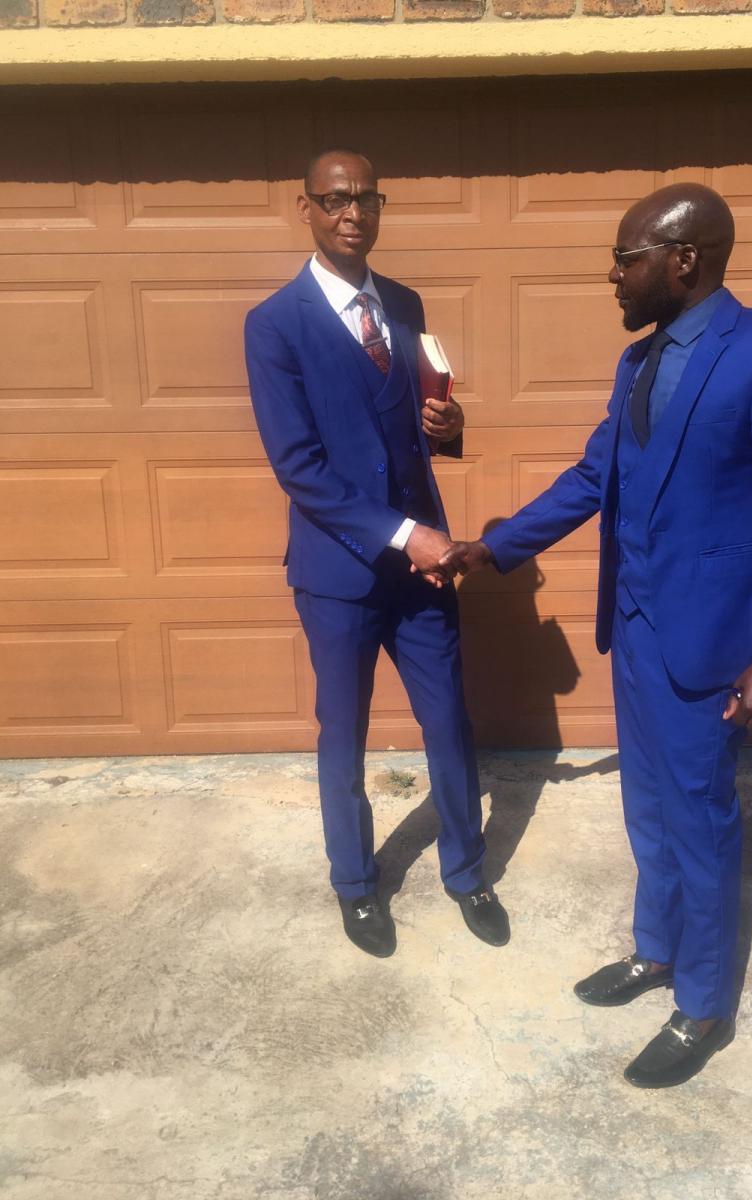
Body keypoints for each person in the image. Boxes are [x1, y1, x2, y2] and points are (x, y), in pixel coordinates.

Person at [438, 183, 752, 1086]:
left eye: (625, 258)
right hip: (637, 623)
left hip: (710, 637)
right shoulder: (638, 360)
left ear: (682, 259)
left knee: (700, 816)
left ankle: (704, 1004)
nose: (613, 276)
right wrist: (494, 547)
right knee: (649, 807)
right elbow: (595, 476)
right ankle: (657, 949)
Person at [244, 149, 509, 958]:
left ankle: (467, 871)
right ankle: (357, 884)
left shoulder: (403, 302)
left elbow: (416, 418)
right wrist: (402, 532)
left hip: (422, 569)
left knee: (449, 720)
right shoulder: (275, 324)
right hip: (338, 573)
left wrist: (448, 428)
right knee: (344, 731)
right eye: (334, 200)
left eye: (365, 198)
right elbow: (300, 468)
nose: (351, 213)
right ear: (306, 209)